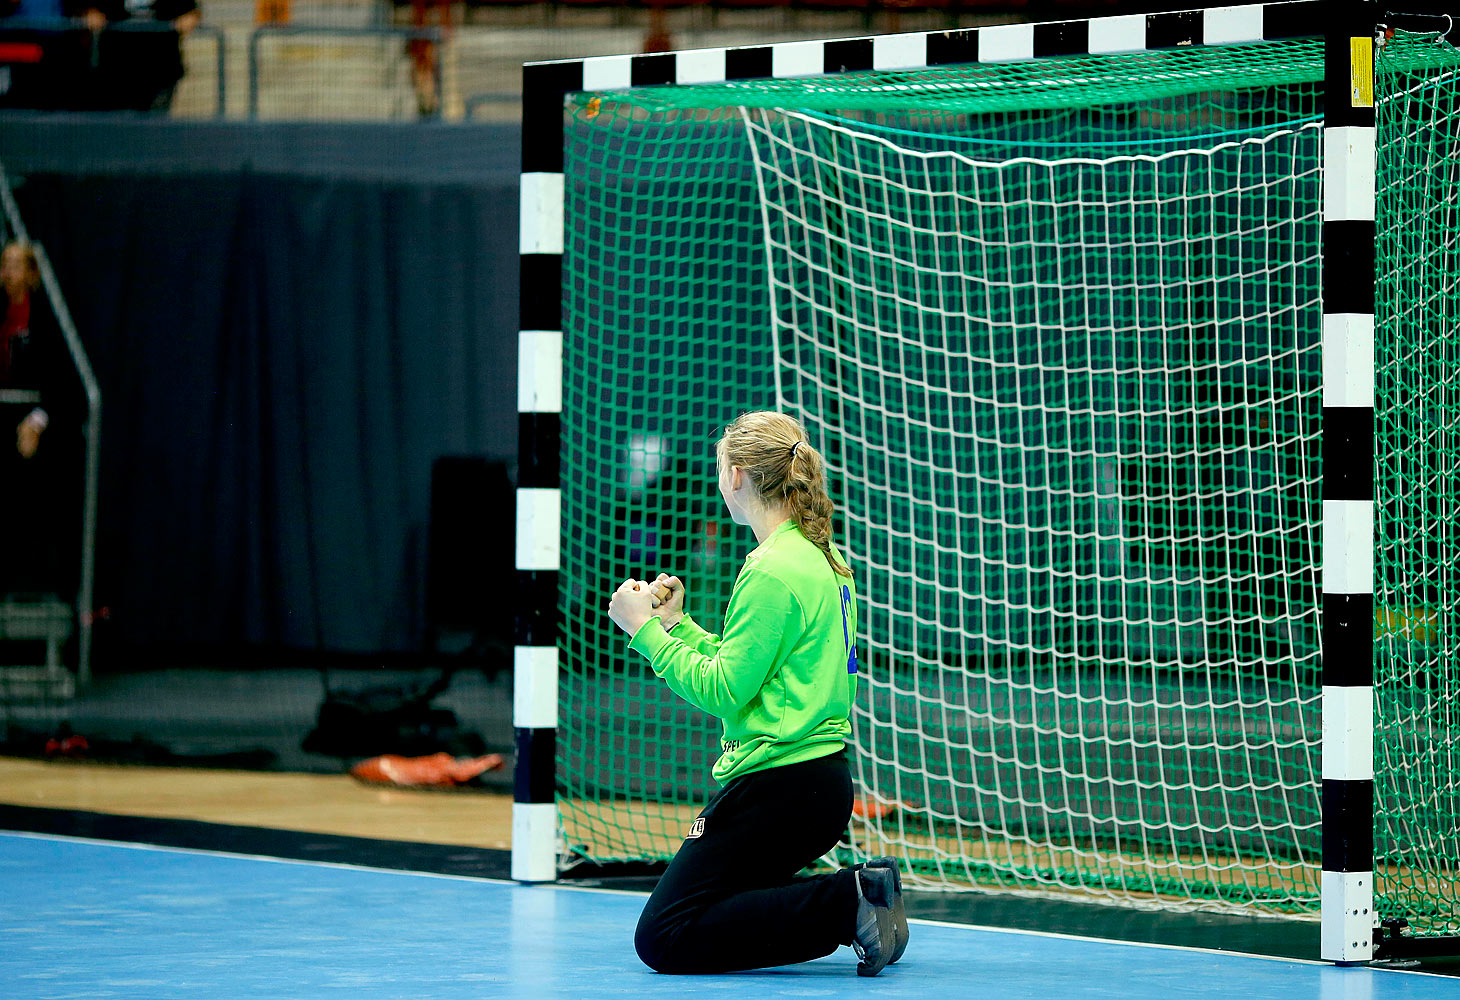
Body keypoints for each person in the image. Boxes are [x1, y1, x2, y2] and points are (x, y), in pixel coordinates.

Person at [606, 410, 910, 976]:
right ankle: (865, 894)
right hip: (817, 786)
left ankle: (850, 901)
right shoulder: (820, 555)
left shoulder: (770, 568)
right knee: (712, 904)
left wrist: (643, 631)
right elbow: (754, 670)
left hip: (779, 790)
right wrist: (679, 625)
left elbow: (723, 689)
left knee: (665, 937)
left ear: (736, 476)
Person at [0, 240, 73, 596]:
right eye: (4, 264)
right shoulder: (1, 313)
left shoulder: (45, 318)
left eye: (16, 265)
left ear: (32, 273)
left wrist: (37, 420)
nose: (8, 273)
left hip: (31, 428)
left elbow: (60, 382)